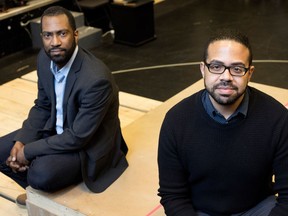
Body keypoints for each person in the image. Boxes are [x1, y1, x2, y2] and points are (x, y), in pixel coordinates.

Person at [0, 6, 128, 205]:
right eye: (48, 35)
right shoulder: (44, 59)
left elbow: (78, 138)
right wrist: (22, 141)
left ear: (75, 35)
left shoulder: (96, 79)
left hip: (86, 147)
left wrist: (28, 151)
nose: (55, 42)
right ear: (41, 36)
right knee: (4, 151)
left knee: (40, 173)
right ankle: (38, 193)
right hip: (57, 133)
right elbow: (42, 105)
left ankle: (42, 186)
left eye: (62, 33)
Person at [157, 29, 288, 216]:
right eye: (217, 66)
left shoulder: (278, 119)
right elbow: (173, 195)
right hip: (200, 210)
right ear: (203, 69)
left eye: (237, 68)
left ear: (249, 73)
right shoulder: (176, 120)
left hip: (257, 208)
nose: (226, 77)